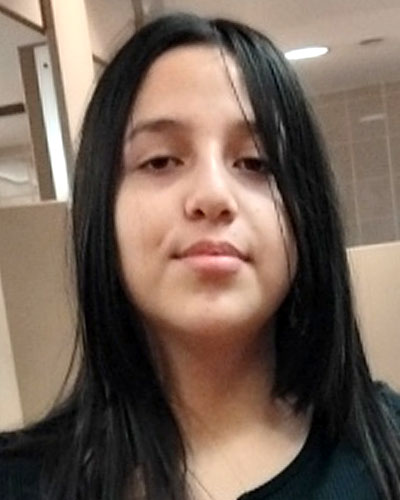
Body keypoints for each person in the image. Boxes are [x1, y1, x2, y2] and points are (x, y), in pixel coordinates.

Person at [1, 12, 399, 500]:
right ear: (101, 209)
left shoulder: (387, 453)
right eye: (160, 161)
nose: (212, 194)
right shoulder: (17, 482)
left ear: (307, 214)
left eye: (255, 162)